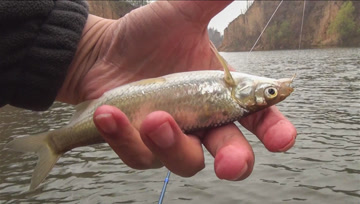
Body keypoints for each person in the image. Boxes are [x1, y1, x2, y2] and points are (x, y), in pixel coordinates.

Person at [0, 0, 296, 181]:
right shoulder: (232, 88)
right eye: (270, 91)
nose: (273, 89)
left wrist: (84, 53)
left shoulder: (232, 90)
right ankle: (54, 143)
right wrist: (87, 50)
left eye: (270, 92)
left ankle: (55, 143)